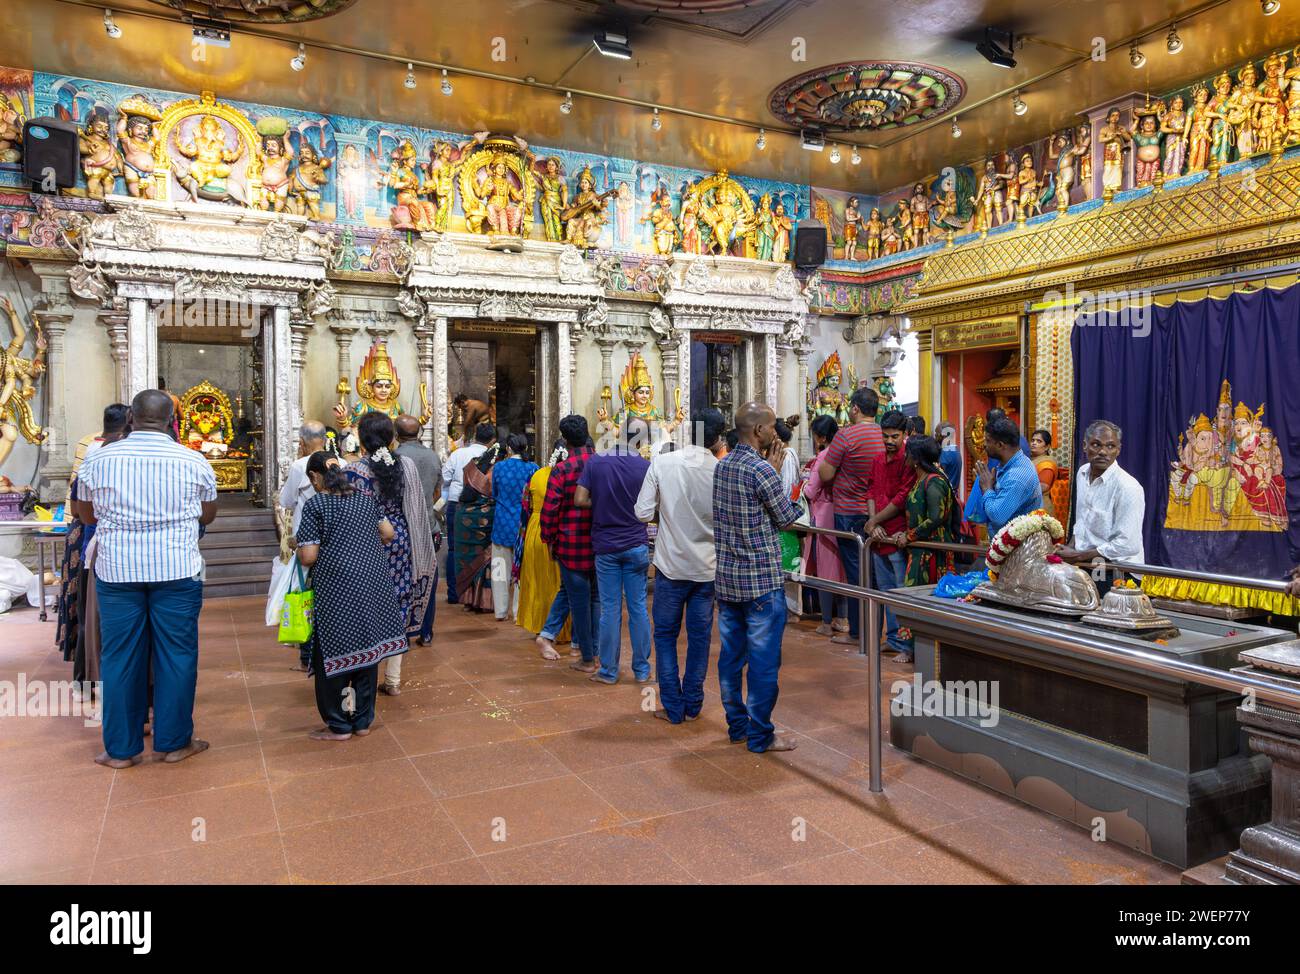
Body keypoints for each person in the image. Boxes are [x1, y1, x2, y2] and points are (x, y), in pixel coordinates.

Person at [74, 389, 217, 769]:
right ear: (172, 421)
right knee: (177, 654)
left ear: (131, 419)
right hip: (176, 570)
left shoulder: (98, 459)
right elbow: (207, 515)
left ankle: (120, 750)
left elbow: (85, 514)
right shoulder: (194, 460)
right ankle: (172, 743)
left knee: (119, 656)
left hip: (119, 570)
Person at [295, 451, 407, 741]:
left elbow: (308, 556)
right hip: (372, 584)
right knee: (367, 651)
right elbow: (388, 533)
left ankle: (339, 724)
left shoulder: (316, 504)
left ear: (314, 477)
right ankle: (362, 721)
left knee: (333, 653)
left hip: (337, 587)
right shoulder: (365, 499)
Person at [713, 401, 801, 753]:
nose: (776, 433)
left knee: (732, 656)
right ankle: (760, 734)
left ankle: (737, 726)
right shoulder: (761, 470)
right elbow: (786, 518)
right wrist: (778, 477)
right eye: (772, 426)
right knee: (764, 662)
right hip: (762, 582)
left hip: (729, 579)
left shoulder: (723, 465)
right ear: (760, 431)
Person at [635, 408, 721, 722]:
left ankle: (673, 707)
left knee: (666, 635)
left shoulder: (663, 462)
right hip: (707, 569)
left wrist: (668, 511)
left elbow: (643, 512)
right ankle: (693, 703)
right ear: (718, 438)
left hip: (670, 566)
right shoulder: (721, 469)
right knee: (700, 639)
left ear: (687, 430)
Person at [344, 412, 434, 695]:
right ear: (391, 437)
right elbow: (417, 505)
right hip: (402, 542)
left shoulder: (355, 471)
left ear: (361, 438)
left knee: (368, 604)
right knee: (398, 603)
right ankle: (393, 679)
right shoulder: (405, 464)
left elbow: (351, 514)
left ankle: (367, 668)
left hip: (368, 543)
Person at [576, 417, 652, 685]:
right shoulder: (645, 466)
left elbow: (580, 499)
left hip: (606, 544)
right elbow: (652, 507)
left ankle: (608, 671)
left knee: (610, 609)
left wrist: (604, 503)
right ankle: (642, 670)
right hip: (636, 543)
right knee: (639, 607)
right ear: (642, 441)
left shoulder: (596, 461)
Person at [59, 403, 128, 688]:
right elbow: (84, 511)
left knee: (92, 618)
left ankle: (89, 678)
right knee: (103, 621)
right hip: (103, 547)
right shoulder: (107, 456)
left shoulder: (90, 451)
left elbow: (78, 507)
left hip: (93, 543)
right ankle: (100, 681)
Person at [878, 436, 958, 662]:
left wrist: (910, 535)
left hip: (932, 551)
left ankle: (918, 649)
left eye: (908, 452)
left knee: (925, 597)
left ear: (916, 458)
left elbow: (936, 517)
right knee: (915, 596)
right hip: (919, 550)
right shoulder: (921, 478)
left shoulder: (934, 482)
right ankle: (912, 647)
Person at [818, 386, 883, 643]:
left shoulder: (846, 436)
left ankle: (859, 633)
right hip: (877, 513)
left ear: (855, 408)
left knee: (856, 576)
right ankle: (875, 631)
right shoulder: (885, 435)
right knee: (876, 574)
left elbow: (826, 474)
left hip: (848, 511)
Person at [541, 415, 600, 673]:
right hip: (600, 541)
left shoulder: (562, 469)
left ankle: (587, 657)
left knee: (578, 601)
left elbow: (550, 509)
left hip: (571, 542)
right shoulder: (602, 464)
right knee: (597, 599)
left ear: (565, 440)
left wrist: (549, 538)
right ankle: (594, 653)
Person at [1057, 420, 1145, 590]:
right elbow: (1083, 521)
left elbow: (1126, 545)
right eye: (1096, 444)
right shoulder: (1082, 473)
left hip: (1118, 568)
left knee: (1098, 611)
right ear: (1085, 446)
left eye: (1110, 446)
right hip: (1088, 561)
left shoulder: (1128, 487)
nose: (1103, 452)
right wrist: (1068, 548)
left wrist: (1078, 555)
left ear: (1118, 450)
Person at [861, 410, 917, 654]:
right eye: (885, 437)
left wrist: (874, 522)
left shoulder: (909, 461)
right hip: (879, 535)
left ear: (905, 434)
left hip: (897, 534)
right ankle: (893, 639)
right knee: (885, 591)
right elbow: (871, 491)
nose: (889, 441)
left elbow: (903, 497)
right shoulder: (877, 460)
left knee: (901, 590)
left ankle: (906, 644)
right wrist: (874, 523)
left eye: (894, 436)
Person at [278, 419, 329, 670]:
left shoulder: (300, 465)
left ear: (302, 442)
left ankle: (306, 656)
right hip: (331, 536)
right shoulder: (337, 462)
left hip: (306, 538)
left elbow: (286, 500)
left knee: (305, 594)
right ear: (326, 438)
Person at [520, 441, 573, 659]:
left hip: (535, 529)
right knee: (561, 582)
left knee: (538, 580)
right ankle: (563, 631)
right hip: (560, 530)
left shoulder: (537, 475)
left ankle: (540, 625)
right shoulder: (570, 474)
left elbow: (526, 505)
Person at [393, 414, 442, 644]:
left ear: (396, 434)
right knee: (428, 578)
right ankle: (426, 631)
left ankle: (402, 631)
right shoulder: (432, 456)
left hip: (403, 528)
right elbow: (437, 492)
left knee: (403, 580)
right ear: (420, 432)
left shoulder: (396, 458)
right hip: (430, 526)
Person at [801, 414, 848, 636]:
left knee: (825, 571)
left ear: (820, 436)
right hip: (842, 512)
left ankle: (827, 622)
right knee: (841, 569)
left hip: (823, 515)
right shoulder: (844, 453)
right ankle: (843, 618)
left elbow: (811, 490)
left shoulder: (823, 457)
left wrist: (803, 487)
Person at [964, 417, 1042, 535]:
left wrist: (987, 488)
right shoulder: (1008, 463)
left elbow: (997, 515)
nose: (984, 445)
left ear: (1000, 445)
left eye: (988, 440)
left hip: (1017, 549)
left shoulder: (1017, 476)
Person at [442, 424, 492, 603]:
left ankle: (454, 594)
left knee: (454, 549)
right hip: (484, 510)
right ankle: (476, 595)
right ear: (492, 440)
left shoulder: (458, 454)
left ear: (475, 436)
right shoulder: (491, 458)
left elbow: (445, 478)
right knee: (481, 552)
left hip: (458, 505)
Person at [452, 432, 501, 614]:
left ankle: (468, 600)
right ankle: (483, 601)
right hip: (484, 518)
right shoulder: (495, 470)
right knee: (486, 561)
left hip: (464, 517)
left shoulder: (472, 466)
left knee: (468, 561)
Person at [490, 434, 537, 621]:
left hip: (502, 522)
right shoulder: (533, 468)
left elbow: (494, 493)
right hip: (523, 523)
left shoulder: (499, 467)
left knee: (500, 568)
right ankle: (519, 612)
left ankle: (500, 611)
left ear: (509, 448)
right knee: (522, 570)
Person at [1030, 428, 1059, 517]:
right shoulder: (1031, 459)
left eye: (1039, 441)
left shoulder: (1047, 463)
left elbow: (1043, 487)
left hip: (1041, 508)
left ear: (1047, 447)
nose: (1034, 443)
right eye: (1033, 440)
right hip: (1029, 505)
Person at [935, 421, 963, 491]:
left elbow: (938, 477)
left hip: (946, 494)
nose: (935, 436)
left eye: (937, 434)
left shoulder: (946, 453)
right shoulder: (955, 449)